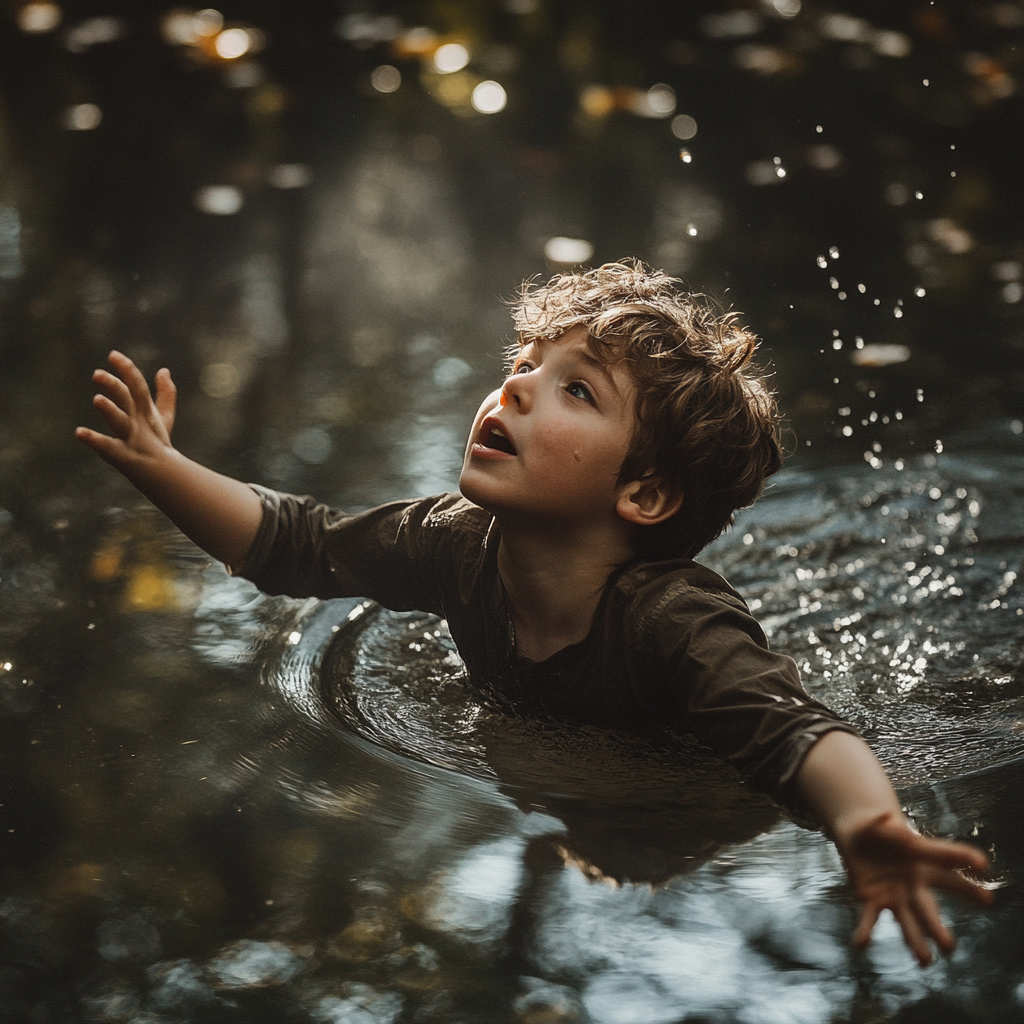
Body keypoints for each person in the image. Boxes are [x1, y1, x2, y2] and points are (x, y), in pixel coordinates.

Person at [76, 260, 992, 966]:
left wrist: (867, 823)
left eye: (576, 388)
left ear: (644, 493)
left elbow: (801, 737)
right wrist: (165, 467)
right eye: (523, 364)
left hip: (699, 801)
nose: (513, 387)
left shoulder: (673, 623)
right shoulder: (455, 542)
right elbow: (297, 545)